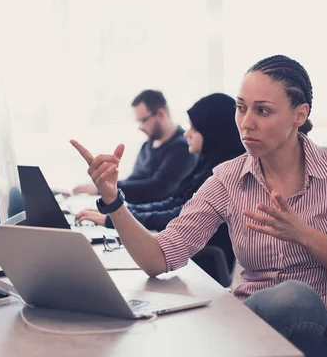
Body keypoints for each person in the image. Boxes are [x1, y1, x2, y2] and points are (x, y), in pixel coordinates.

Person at [71, 55, 327, 357]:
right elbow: (159, 258)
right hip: (249, 329)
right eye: (241, 108)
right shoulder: (228, 178)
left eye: (262, 111)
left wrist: (303, 234)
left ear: (299, 115)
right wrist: (113, 200)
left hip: (317, 335)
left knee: (295, 296)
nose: (246, 123)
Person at [76, 93, 245, 282]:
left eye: (194, 129)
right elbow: (174, 203)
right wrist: (118, 209)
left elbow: (174, 212)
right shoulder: (206, 165)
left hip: (200, 265)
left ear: (213, 131)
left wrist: (114, 214)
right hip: (181, 258)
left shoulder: (227, 175)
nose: (186, 133)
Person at [72, 89, 197, 204]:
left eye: (143, 121)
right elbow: (134, 180)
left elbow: (157, 189)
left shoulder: (183, 147)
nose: (140, 127)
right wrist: (104, 183)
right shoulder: (147, 145)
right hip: (138, 212)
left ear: (160, 114)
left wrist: (104, 188)